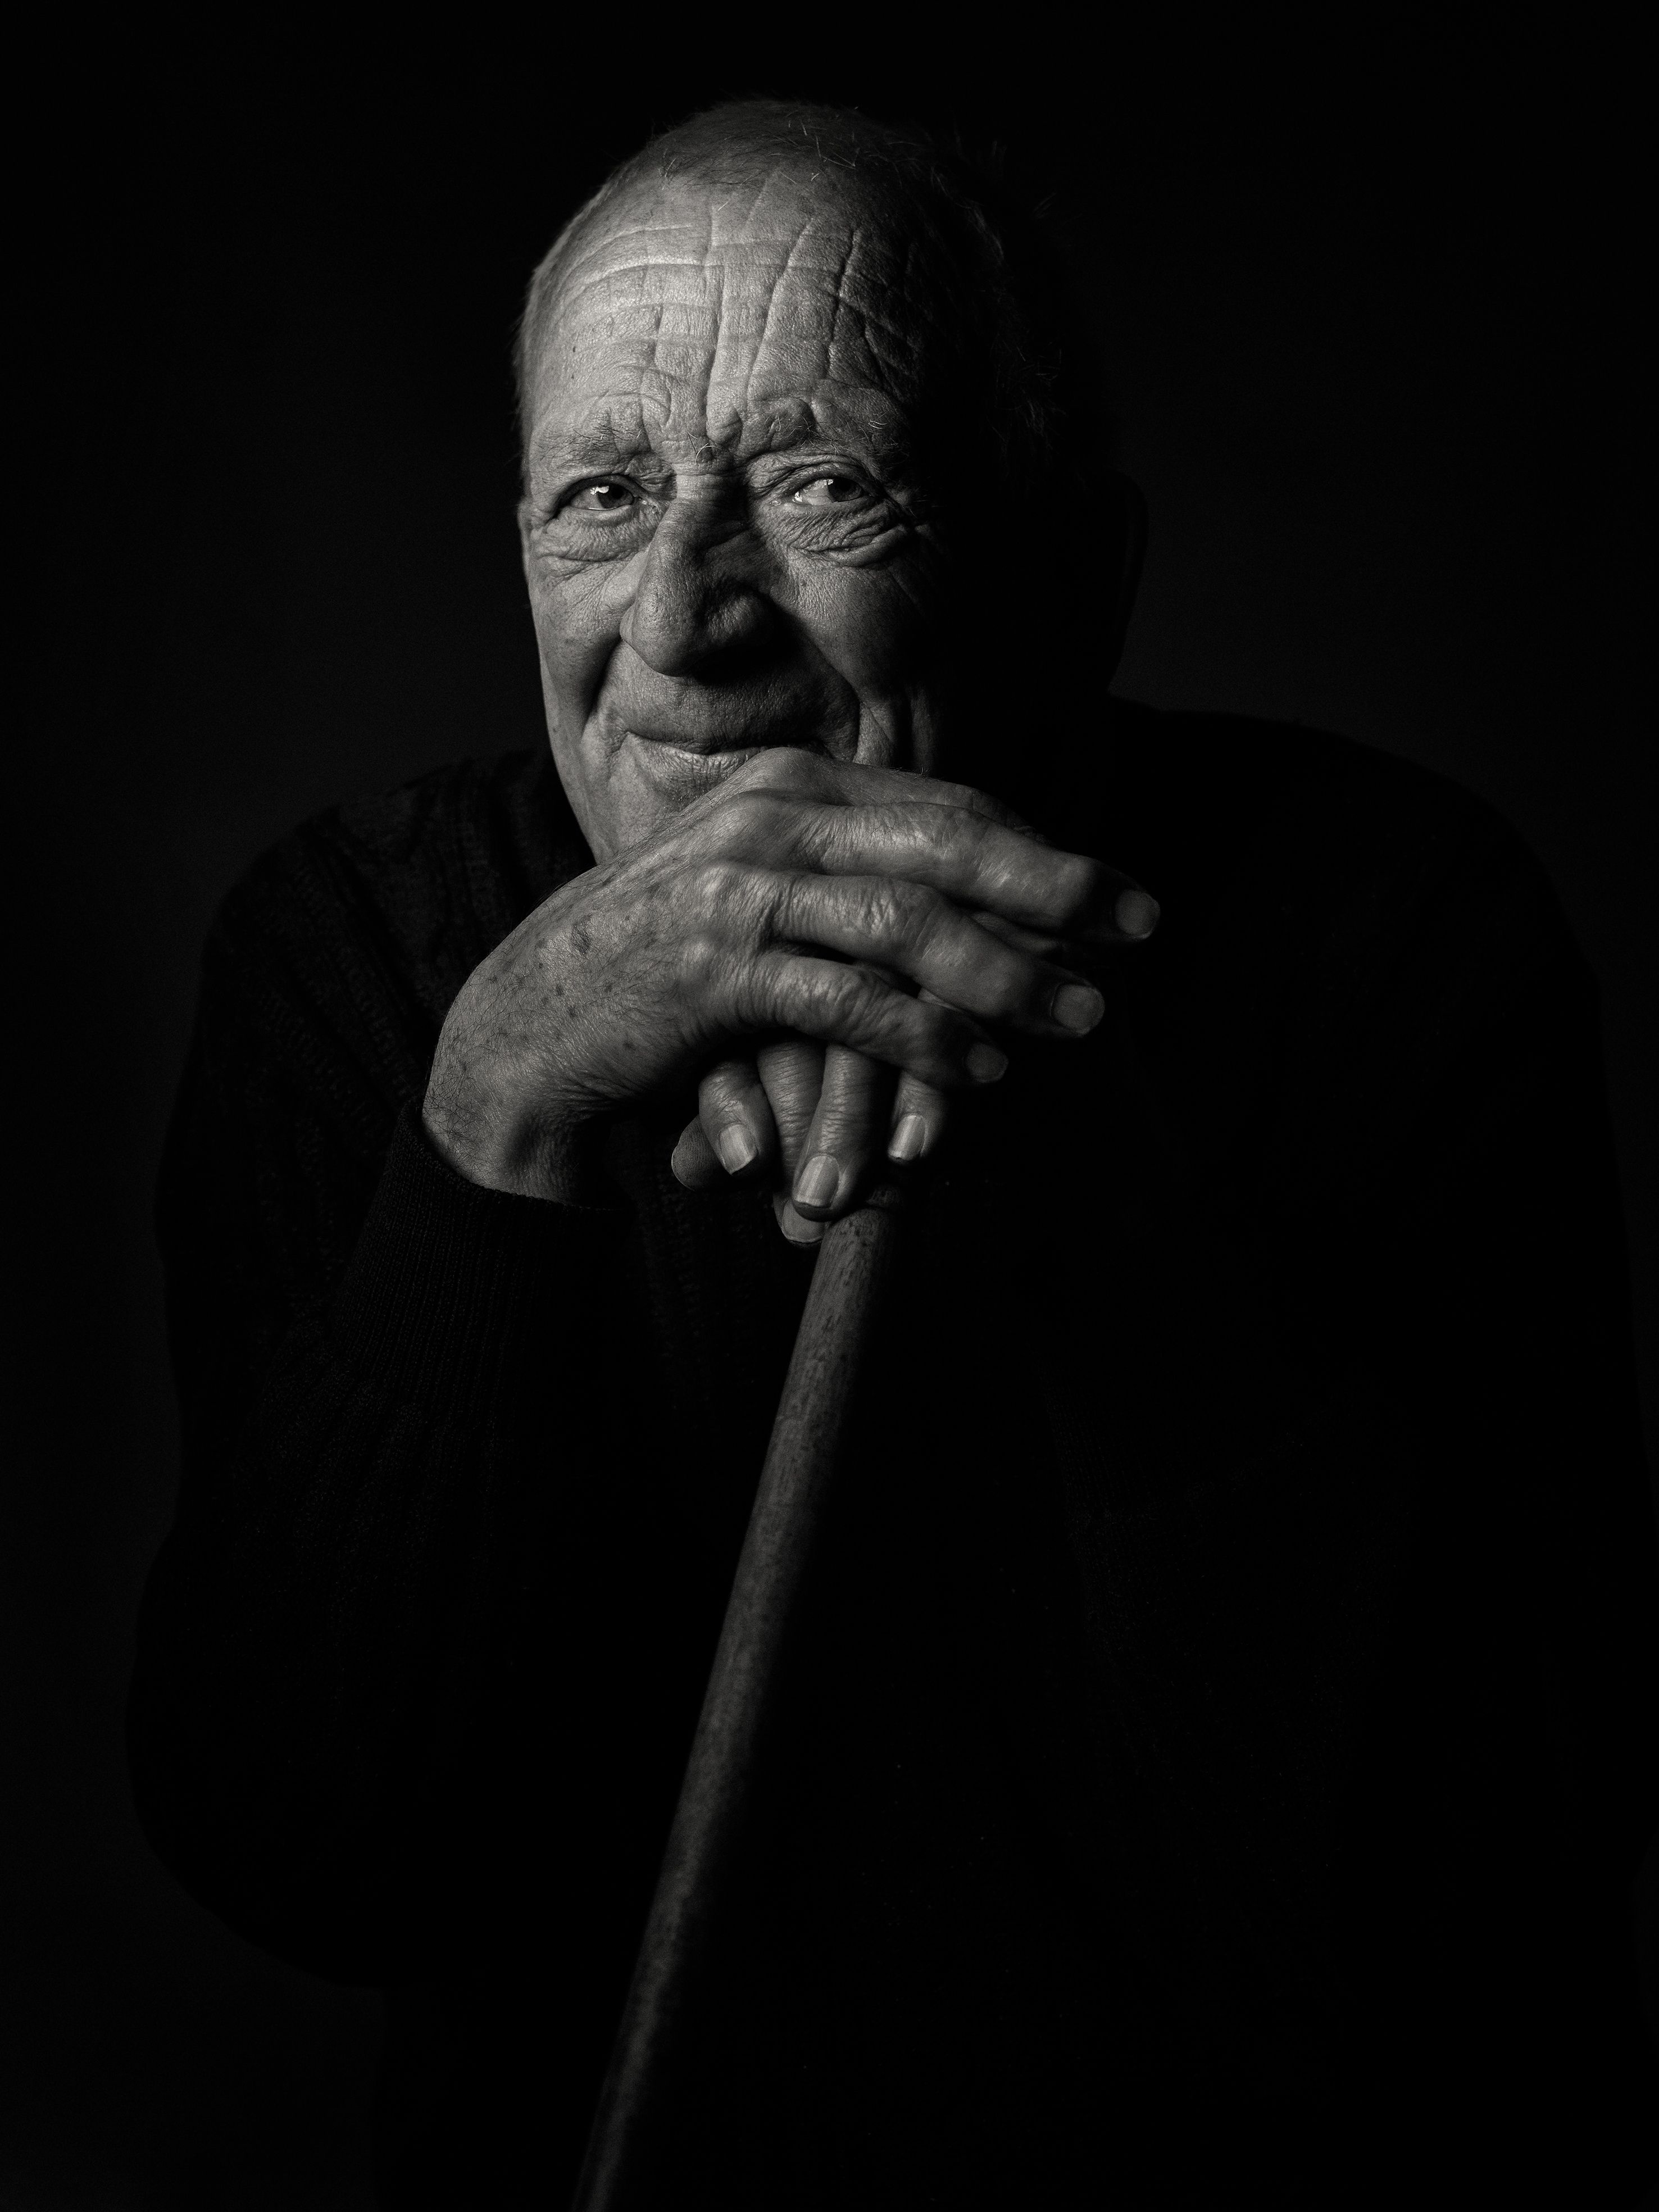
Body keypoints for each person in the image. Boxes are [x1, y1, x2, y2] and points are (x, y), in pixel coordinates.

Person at [129, 99, 1658, 2206]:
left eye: (820, 485)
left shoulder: (1391, 924)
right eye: (599, 498)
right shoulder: (356, 951)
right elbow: (304, 1857)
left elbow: (1449, 1915)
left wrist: (1113, 1201)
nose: (683, 621)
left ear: (1078, 585)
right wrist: (492, 1122)